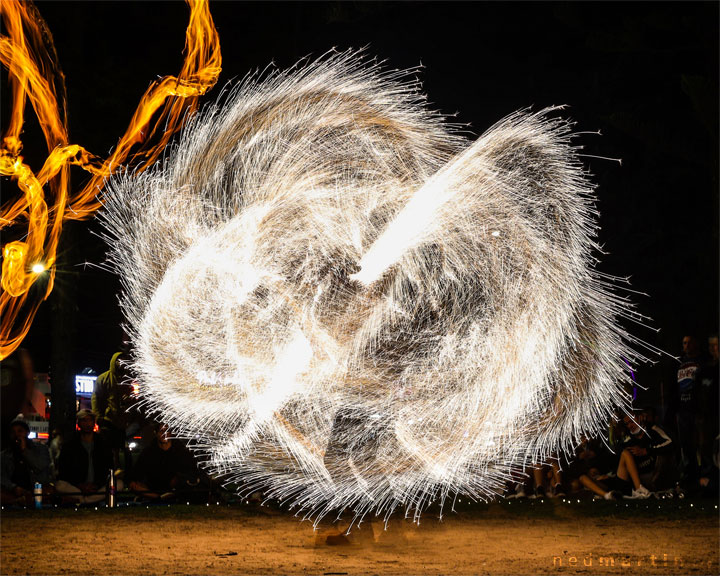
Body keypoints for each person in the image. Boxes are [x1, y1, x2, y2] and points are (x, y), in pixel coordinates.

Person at [56, 409, 119, 505]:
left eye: (90, 420)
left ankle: (83, 500)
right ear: (79, 423)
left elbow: (108, 467)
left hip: (97, 486)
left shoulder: (102, 443)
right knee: (60, 485)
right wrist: (80, 485)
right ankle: (89, 499)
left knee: (118, 484)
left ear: (94, 423)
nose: (87, 424)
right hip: (77, 486)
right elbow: (64, 470)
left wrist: (97, 485)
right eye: (84, 420)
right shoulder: (70, 444)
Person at [129, 423, 205, 500]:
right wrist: (135, 482)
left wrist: (179, 478)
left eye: (167, 431)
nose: (164, 434)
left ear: (171, 433)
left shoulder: (180, 450)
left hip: (174, 487)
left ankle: (158, 497)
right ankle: (159, 497)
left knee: (186, 484)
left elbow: (191, 470)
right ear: (156, 433)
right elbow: (137, 471)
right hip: (154, 486)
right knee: (134, 485)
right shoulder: (148, 452)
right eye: (161, 431)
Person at [0, 416, 53, 506]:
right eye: (13, 432)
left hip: (36, 487)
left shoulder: (41, 449)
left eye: (20, 431)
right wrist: (14, 488)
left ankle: (25, 500)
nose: (17, 435)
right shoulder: (4, 455)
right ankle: (20, 501)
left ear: (27, 433)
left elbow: (40, 466)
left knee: (49, 490)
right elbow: (2, 477)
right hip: (15, 490)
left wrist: (25, 450)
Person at [673, 335, 704, 486]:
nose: (687, 345)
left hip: (696, 408)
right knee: (685, 445)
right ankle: (689, 476)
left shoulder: (701, 362)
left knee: (700, 443)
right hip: (682, 409)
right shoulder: (679, 364)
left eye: (690, 342)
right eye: (684, 343)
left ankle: (702, 475)